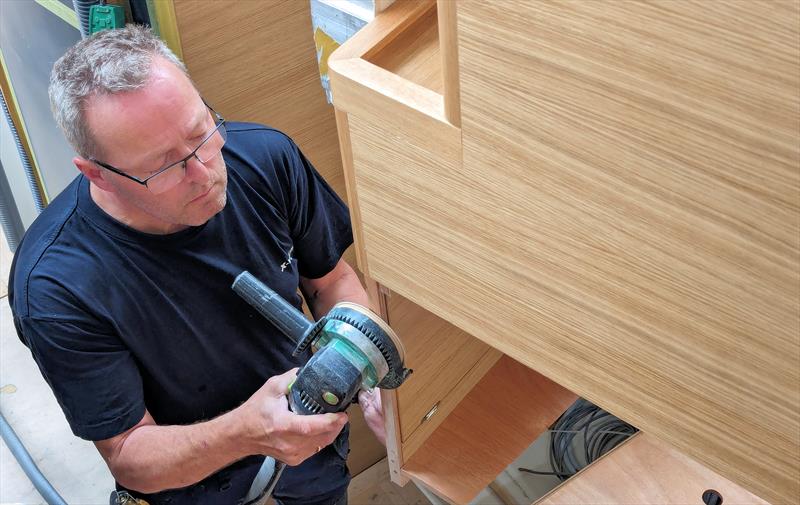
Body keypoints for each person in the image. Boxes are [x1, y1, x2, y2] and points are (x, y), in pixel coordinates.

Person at [8, 24, 385, 505]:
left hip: (309, 437)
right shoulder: (56, 283)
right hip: (189, 481)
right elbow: (129, 454)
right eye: (165, 166)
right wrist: (246, 433)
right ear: (98, 175)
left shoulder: (267, 158)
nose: (205, 173)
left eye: (201, 132)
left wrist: (355, 359)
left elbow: (332, 281)